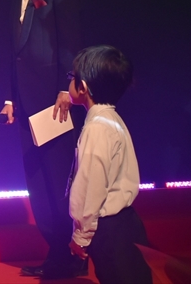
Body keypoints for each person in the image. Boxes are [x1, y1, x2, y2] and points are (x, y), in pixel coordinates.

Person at [0, 0, 85, 279]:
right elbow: (16, 52)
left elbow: (71, 38)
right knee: (37, 180)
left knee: (58, 178)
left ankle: (72, 255)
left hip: (54, 102)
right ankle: (56, 254)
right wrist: (11, 98)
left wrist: (67, 85)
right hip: (27, 103)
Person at [67, 45, 152, 284]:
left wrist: (80, 236)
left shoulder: (96, 128)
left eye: (72, 76)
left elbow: (89, 187)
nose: (69, 82)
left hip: (109, 231)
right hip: (127, 223)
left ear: (83, 87)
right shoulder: (112, 119)